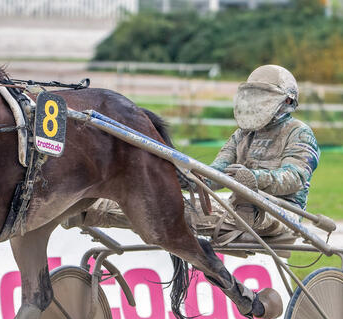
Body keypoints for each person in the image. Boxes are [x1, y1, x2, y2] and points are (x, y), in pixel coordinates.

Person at [65, 64, 320, 241]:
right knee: (169, 202)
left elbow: (295, 177)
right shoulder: (243, 134)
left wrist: (255, 180)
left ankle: (91, 211)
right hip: (240, 206)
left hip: (281, 213)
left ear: (288, 101)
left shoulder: (299, 133)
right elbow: (215, 173)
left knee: (175, 214)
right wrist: (185, 178)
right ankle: (87, 209)